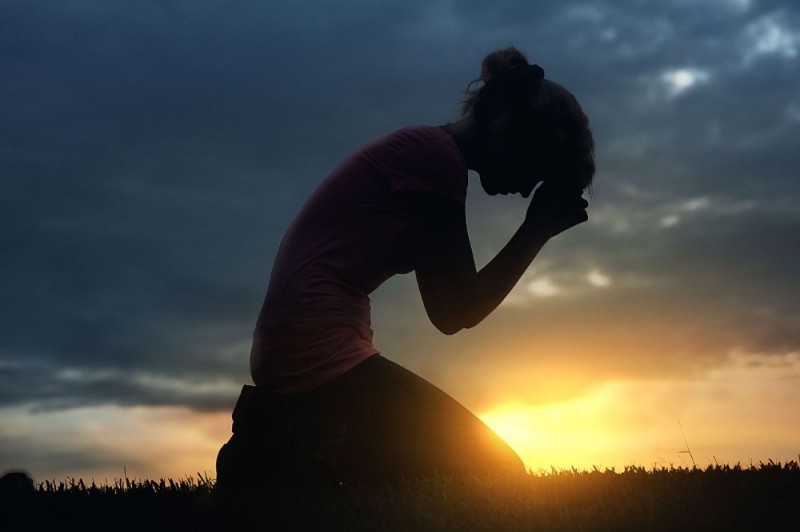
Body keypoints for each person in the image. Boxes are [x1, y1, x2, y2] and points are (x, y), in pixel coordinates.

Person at [216, 47, 595, 490]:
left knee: (432, 471)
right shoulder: (433, 158)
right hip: (318, 350)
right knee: (498, 478)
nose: (528, 186)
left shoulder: (426, 154)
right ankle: (284, 451)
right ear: (509, 128)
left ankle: (286, 446)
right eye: (537, 167)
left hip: (306, 346)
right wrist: (537, 228)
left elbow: (448, 310)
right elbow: (456, 311)